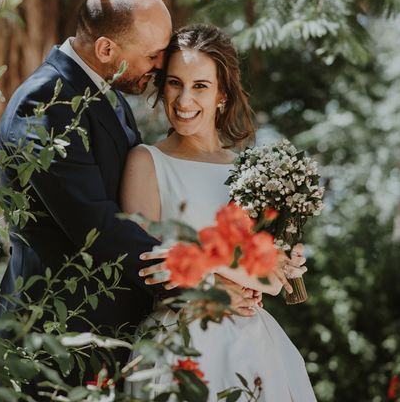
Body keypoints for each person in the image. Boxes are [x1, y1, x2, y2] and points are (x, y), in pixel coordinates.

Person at [0, 0, 261, 389]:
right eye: (152, 55)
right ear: (106, 50)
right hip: (56, 336)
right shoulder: (45, 104)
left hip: (108, 336)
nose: (159, 66)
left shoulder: (108, 99)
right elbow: (97, 226)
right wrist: (203, 279)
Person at [121, 24, 316, 401]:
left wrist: (196, 259)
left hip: (254, 345)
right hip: (180, 340)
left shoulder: (250, 172)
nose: (183, 99)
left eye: (200, 86)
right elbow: (147, 264)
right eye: (175, 83)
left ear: (222, 94)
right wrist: (224, 280)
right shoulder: (146, 162)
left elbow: (270, 281)